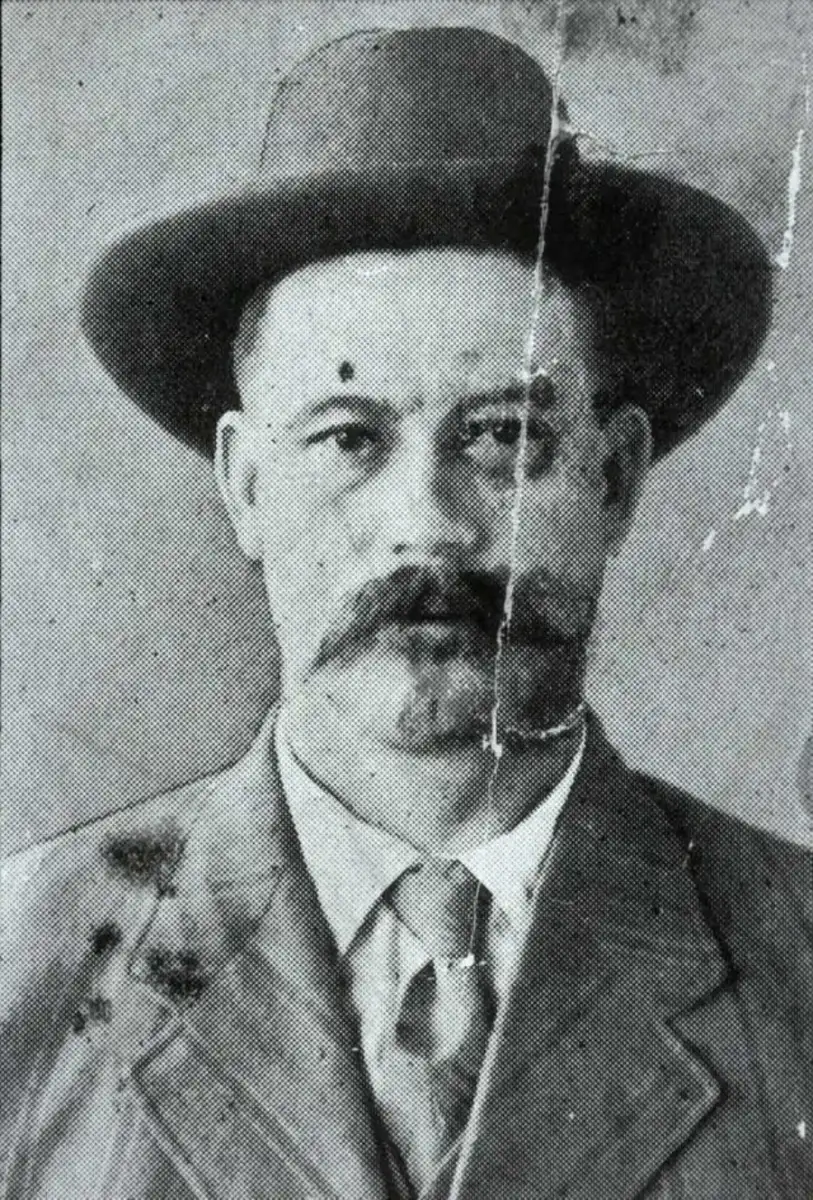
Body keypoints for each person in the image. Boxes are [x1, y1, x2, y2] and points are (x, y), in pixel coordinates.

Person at [2, 26, 811, 1200]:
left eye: (504, 435)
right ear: (244, 485)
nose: (427, 523)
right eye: (349, 439)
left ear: (616, 476)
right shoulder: (26, 974)